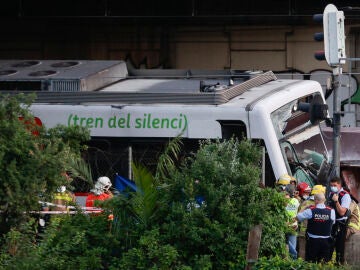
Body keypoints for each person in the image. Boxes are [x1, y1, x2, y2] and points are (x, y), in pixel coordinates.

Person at [296, 193, 335, 263]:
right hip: (326, 242)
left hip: (313, 242)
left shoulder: (311, 210)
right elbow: (333, 222)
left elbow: (298, 217)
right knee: (323, 263)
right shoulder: (331, 211)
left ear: (315, 200)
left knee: (311, 262)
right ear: (324, 200)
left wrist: (304, 208)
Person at [327, 176, 351, 264]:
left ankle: (339, 265)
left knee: (339, 248)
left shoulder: (345, 195)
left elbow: (342, 212)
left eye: (334, 185)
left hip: (340, 224)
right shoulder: (330, 194)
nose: (332, 187)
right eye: (331, 185)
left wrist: (336, 201)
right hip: (331, 224)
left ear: (339, 185)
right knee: (329, 246)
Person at [284, 183, 300, 260]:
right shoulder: (296, 201)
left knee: (286, 246)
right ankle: (293, 261)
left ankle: (293, 258)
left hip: (286, 226)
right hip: (294, 226)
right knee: (292, 247)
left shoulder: (284, 201)